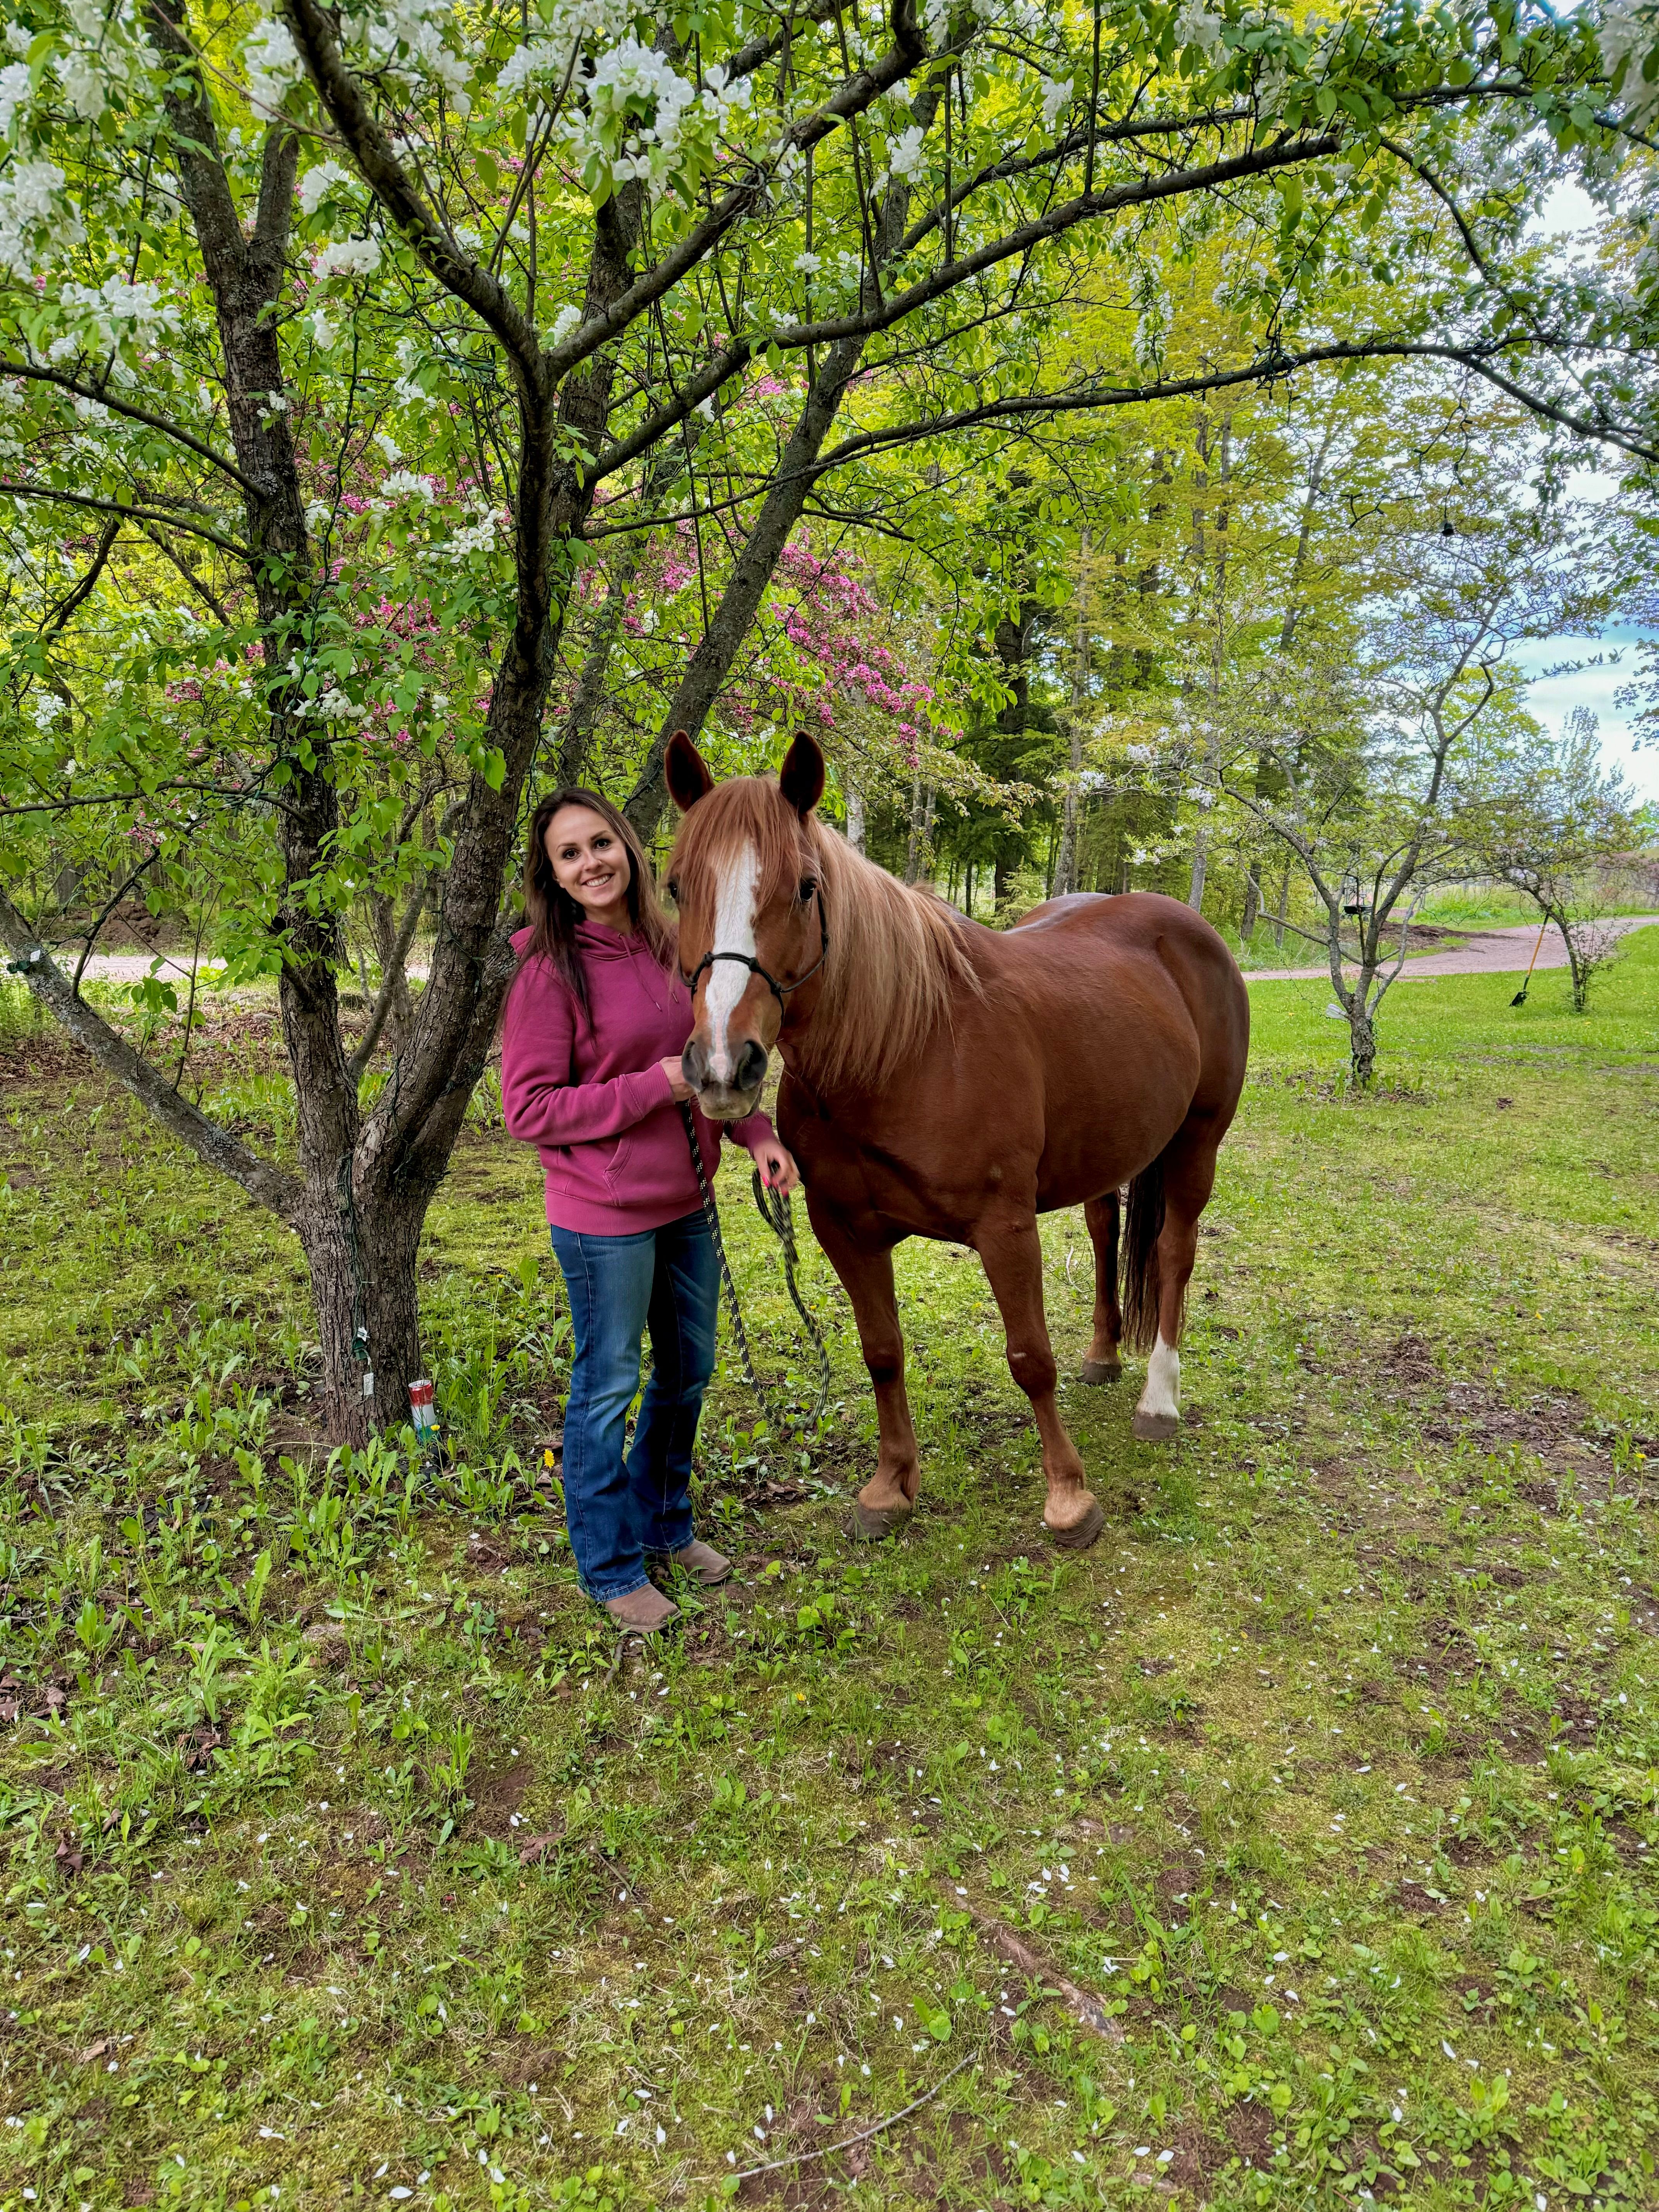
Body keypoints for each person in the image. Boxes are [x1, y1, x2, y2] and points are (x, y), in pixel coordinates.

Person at [501, 786, 800, 1634]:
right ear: (552, 875)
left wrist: (757, 1136)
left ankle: (665, 1522)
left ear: (628, 848)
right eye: (569, 854)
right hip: (604, 1218)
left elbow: (710, 1061)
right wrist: (648, 1088)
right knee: (607, 1389)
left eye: (601, 843)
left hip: (687, 1202)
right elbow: (528, 1110)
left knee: (688, 1372)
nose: (590, 863)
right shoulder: (548, 971)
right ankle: (609, 1565)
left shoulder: (677, 946)